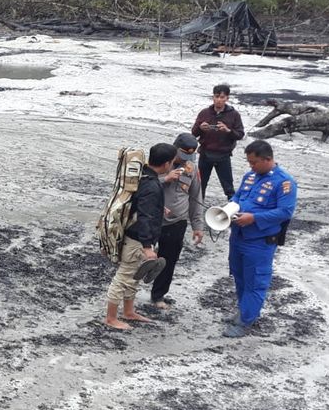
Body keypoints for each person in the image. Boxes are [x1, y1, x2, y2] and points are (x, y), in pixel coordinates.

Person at [224, 140, 297, 338]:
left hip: (260, 240)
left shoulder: (284, 182)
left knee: (255, 280)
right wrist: (228, 209)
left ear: (268, 159)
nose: (251, 166)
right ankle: (244, 310)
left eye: (254, 162)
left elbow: (285, 212)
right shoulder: (250, 177)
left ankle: (246, 321)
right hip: (238, 236)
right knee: (239, 276)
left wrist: (254, 218)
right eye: (249, 162)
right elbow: (238, 197)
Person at [103, 143, 176, 330]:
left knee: (135, 277)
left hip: (134, 236)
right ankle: (111, 318)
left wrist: (160, 209)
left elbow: (141, 207)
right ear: (167, 163)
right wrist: (147, 247)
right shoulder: (152, 185)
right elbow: (145, 216)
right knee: (124, 277)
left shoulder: (141, 177)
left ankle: (128, 311)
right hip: (136, 240)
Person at [149, 133, 206, 309]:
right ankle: (128, 293)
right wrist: (165, 179)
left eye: (190, 156)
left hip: (176, 222)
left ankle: (158, 295)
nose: (185, 160)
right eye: (182, 155)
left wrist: (198, 226)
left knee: (169, 260)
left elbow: (196, 197)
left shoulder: (192, 169)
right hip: (151, 219)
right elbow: (139, 185)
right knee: (140, 257)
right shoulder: (158, 161)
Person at [191, 83, 245, 199]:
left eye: (222, 97)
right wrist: (200, 128)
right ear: (213, 97)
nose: (219, 100)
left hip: (223, 155)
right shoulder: (204, 113)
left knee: (228, 187)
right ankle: (197, 212)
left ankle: (233, 211)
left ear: (227, 98)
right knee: (200, 185)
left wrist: (228, 130)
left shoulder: (234, 115)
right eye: (216, 96)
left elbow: (240, 134)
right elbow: (194, 133)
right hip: (205, 154)